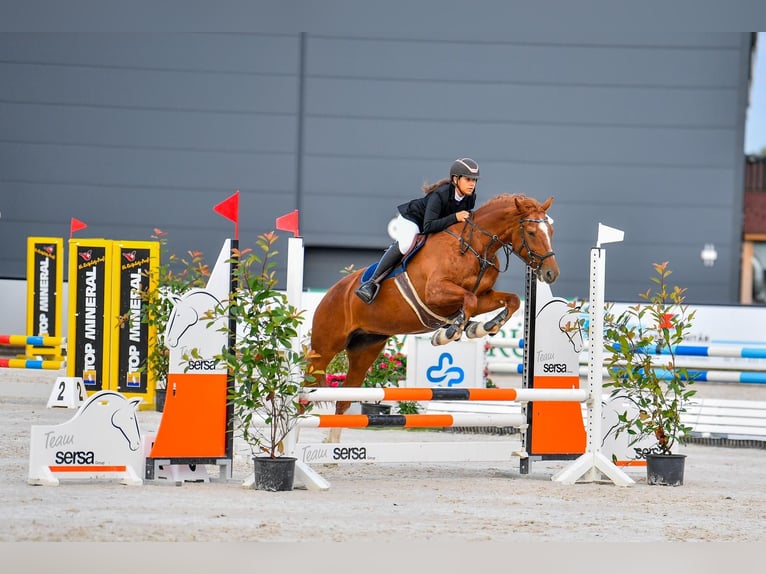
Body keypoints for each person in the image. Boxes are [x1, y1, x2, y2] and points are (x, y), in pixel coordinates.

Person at [355, 157, 480, 304]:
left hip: (435, 226)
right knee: (406, 244)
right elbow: (428, 226)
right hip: (413, 220)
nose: (472, 184)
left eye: (474, 180)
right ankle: (370, 283)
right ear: (455, 179)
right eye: (468, 179)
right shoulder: (440, 194)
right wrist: (455, 217)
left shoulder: (470, 198)